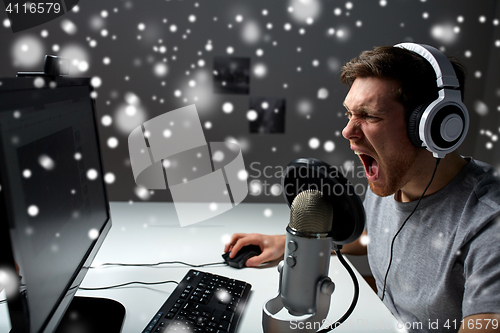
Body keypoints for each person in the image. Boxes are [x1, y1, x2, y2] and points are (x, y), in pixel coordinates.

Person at [224, 45, 500, 332]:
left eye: (369, 116)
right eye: (349, 114)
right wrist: (290, 243)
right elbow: (370, 234)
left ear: (431, 127)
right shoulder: (395, 178)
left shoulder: (489, 227)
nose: (348, 131)